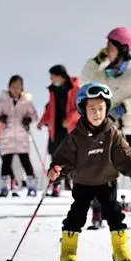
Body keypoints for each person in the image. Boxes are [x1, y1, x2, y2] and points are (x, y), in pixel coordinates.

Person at [47, 82, 131, 261]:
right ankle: (68, 255)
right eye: (92, 109)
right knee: (76, 217)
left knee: (114, 215)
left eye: (101, 109)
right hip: (82, 183)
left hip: (107, 182)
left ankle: (121, 254)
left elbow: (125, 155)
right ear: (83, 110)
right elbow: (63, 159)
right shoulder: (75, 136)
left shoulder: (112, 132)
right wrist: (56, 170)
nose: (97, 113)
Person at [81, 28, 131, 218]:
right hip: (108, 127)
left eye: (111, 45)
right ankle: (100, 207)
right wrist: (96, 61)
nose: (106, 48)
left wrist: (126, 107)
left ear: (123, 48)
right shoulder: (103, 72)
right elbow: (85, 80)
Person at [0, 75, 39, 197]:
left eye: (18, 87)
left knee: (25, 161)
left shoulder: (26, 102)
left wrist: (29, 119)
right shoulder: (3, 101)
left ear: (22, 88)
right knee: (6, 162)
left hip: (22, 136)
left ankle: (32, 186)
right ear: (9, 87)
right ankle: (4, 187)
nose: (15, 89)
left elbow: (34, 116)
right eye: (13, 87)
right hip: (7, 136)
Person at [39, 65, 79, 195]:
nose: (51, 79)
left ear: (61, 75)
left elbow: (80, 108)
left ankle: (70, 182)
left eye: (53, 76)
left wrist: (70, 119)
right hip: (55, 128)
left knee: (69, 156)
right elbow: (51, 108)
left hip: (69, 129)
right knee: (55, 156)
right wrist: (43, 121)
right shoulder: (53, 90)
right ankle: (56, 185)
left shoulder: (75, 89)